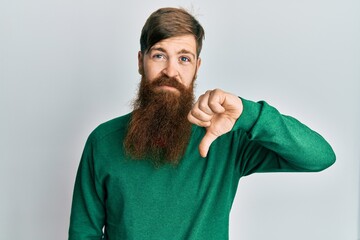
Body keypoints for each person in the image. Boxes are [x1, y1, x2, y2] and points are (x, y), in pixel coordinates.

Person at [68, 7, 336, 240]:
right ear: (141, 62)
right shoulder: (102, 142)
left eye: (183, 58)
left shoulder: (225, 137)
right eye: (159, 55)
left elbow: (320, 157)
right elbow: (84, 234)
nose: (171, 71)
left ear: (197, 67)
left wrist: (248, 113)